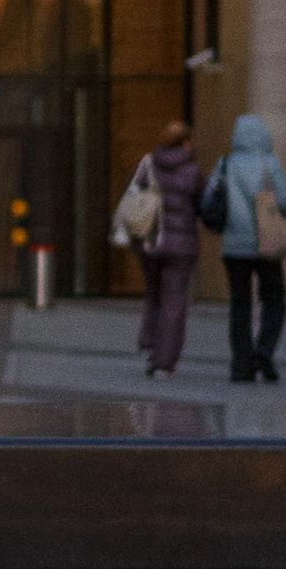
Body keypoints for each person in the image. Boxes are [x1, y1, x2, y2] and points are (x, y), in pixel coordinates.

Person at [211, 110, 286, 386]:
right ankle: (264, 351)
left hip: (234, 247)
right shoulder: (270, 164)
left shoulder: (225, 165)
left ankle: (241, 365)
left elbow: (209, 201)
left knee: (240, 304)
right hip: (265, 243)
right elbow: (284, 203)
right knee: (274, 298)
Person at [128, 117, 206, 377]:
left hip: (150, 240)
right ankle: (163, 361)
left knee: (154, 292)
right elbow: (201, 203)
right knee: (174, 300)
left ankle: (150, 342)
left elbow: (134, 196)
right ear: (186, 142)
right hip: (181, 245)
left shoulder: (150, 163)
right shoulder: (192, 169)